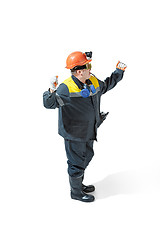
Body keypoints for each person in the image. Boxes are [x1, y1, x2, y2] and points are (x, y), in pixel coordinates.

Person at [43, 51, 127, 202]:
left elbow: (106, 85)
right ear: (80, 71)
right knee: (76, 162)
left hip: (89, 129)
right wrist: (51, 91)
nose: (91, 69)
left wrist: (118, 72)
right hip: (74, 133)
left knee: (87, 156)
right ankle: (75, 192)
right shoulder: (66, 88)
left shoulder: (92, 81)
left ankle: (79, 184)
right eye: (88, 66)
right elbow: (49, 104)